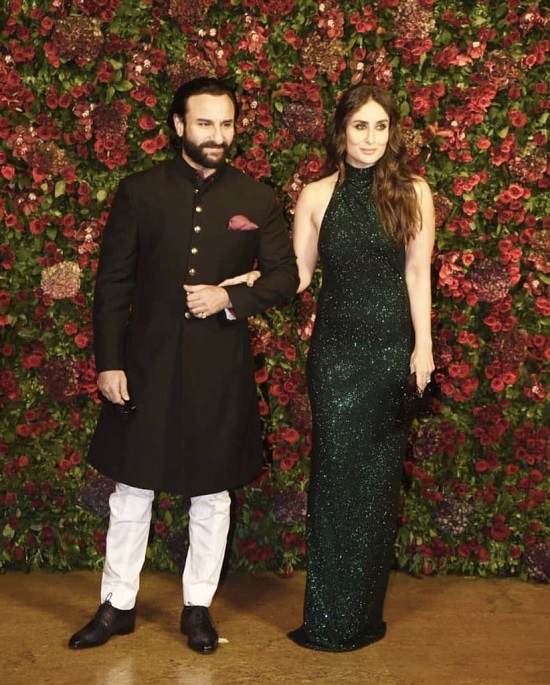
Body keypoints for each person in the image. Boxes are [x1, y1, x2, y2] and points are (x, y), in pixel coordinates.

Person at [68, 77, 298, 654]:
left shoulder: (257, 198)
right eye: (204, 123)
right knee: (131, 489)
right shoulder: (139, 192)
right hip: (145, 364)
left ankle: (198, 607)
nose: (217, 135)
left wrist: (229, 298)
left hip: (219, 367)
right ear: (178, 125)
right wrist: (109, 362)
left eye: (226, 124)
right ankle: (117, 604)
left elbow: (285, 276)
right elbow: (112, 284)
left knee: (212, 495)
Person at [288, 84, 435, 651]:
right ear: (341, 131)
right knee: (333, 480)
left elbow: (417, 274)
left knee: (375, 487)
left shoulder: (413, 192)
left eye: (380, 126)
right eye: (359, 126)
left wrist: (423, 347)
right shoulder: (315, 195)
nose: (370, 138)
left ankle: (360, 617)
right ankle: (327, 618)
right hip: (334, 358)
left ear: (390, 133)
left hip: (390, 353)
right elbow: (300, 275)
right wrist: (247, 282)